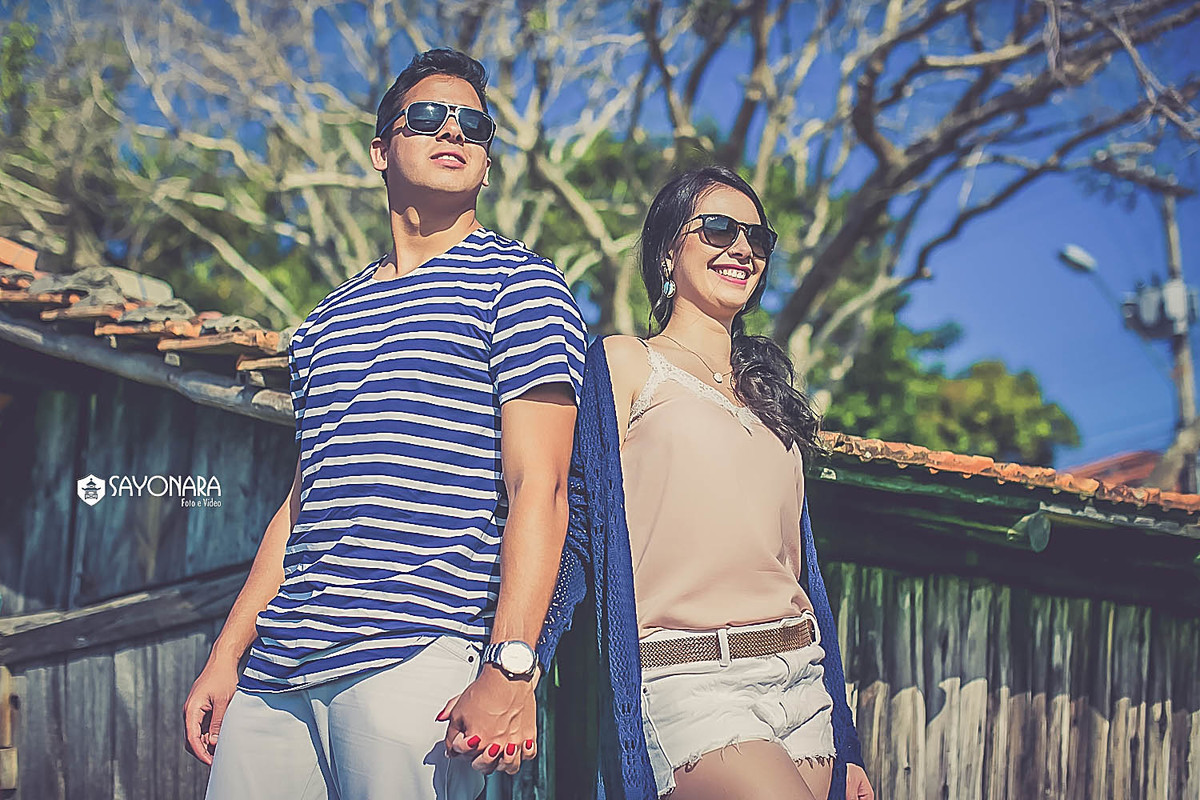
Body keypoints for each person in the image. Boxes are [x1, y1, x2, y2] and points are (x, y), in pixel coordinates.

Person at [183, 48, 586, 800]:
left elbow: (543, 485)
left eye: (474, 125)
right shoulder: (322, 323)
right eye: (428, 116)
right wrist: (227, 654)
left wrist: (511, 665)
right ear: (380, 150)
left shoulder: (520, 284)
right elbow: (303, 501)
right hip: (278, 677)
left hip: (415, 660)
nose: (454, 132)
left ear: (487, 164)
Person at [537, 166, 876, 799]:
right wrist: (517, 664)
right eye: (719, 229)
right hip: (691, 681)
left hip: (803, 686)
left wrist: (847, 743)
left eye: (757, 237)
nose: (742, 247)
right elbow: (577, 528)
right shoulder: (626, 363)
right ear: (668, 250)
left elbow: (801, 573)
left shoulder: (770, 397)